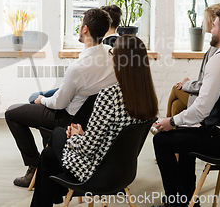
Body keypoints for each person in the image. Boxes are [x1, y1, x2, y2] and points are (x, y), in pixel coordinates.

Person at [30, 35, 159, 207]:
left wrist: (75, 136)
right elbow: (116, 136)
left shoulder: (109, 95)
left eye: (112, 53)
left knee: (58, 134)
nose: (110, 56)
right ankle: (56, 193)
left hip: (96, 172)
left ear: (119, 60)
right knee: (48, 156)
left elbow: (87, 149)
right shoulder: (147, 96)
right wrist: (84, 134)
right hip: (123, 172)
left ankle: (54, 194)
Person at [152, 8, 220, 207]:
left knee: (162, 140)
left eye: (215, 25)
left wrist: (172, 121)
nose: (210, 29)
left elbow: (202, 108)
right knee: (184, 138)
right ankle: (187, 200)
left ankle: (175, 203)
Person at [6, 8, 117, 187]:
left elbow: (58, 104)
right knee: (38, 98)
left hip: (69, 119)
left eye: (81, 25)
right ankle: (51, 159)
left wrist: (41, 100)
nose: (80, 28)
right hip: (93, 118)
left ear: (85, 29)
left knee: (12, 112)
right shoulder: (112, 54)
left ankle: (34, 166)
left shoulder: (78, 68)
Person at [166, 3, 220, 117]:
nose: (202, 23)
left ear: (213, 21)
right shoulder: (214, 46)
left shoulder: (217, 50)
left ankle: (164, 126)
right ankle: (169, 130)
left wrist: (187, 84)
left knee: (176, 89)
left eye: (204, 19)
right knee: (177, 105)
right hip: (205, 94)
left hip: (208, 101)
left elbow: (205, 86)